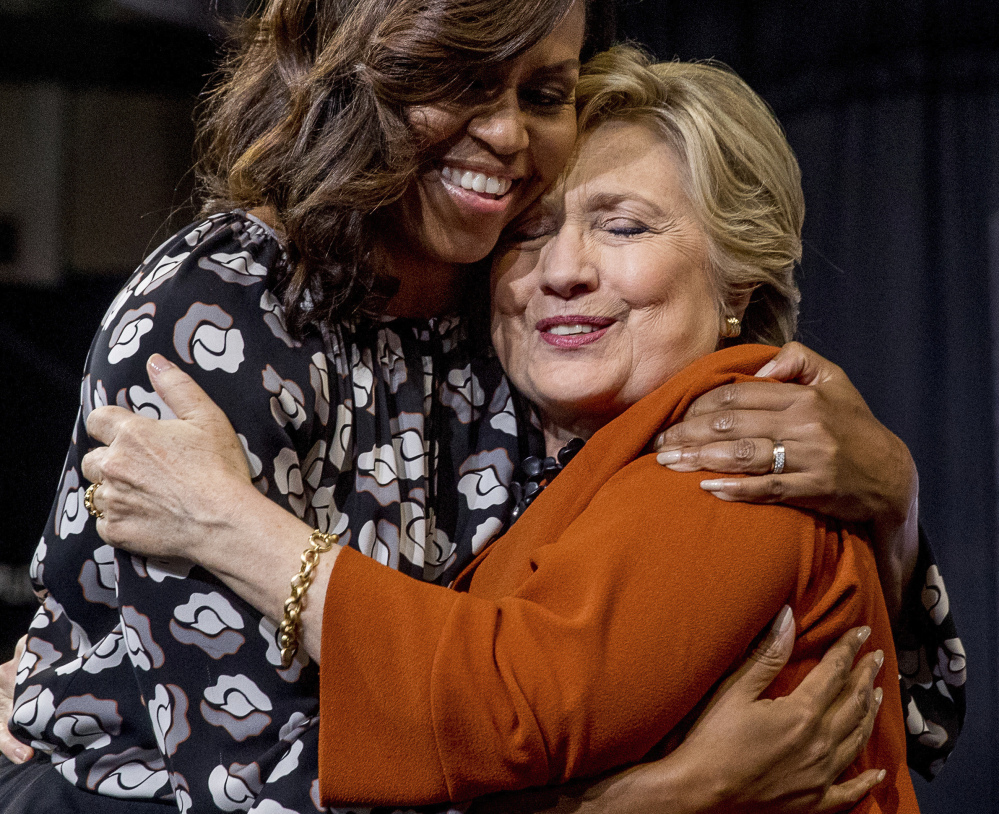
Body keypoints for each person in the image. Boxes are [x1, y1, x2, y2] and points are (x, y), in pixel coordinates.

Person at [0, 0, 961, 809]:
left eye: (542, 94)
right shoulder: (226, 309)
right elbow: (249, 782)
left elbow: (913, 715)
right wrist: (655, 798)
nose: (506, 137)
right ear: (358, 76)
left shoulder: (554, 346)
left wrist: (893, 494)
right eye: (460, 78)